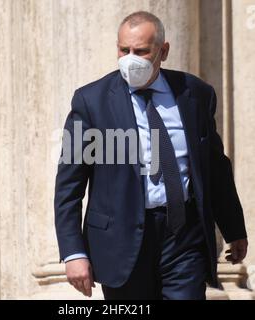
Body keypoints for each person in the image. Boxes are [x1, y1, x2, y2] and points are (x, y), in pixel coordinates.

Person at [54, 11, 248, 300]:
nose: (130, 58)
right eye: (124, 50)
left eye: (141, 51)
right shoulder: (90, 101)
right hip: (120, 242)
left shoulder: (195, 94)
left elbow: (215, 168)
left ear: (164, 51)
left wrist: (234, 229)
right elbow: (69, 184)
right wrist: (73, 252)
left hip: (183, 237)